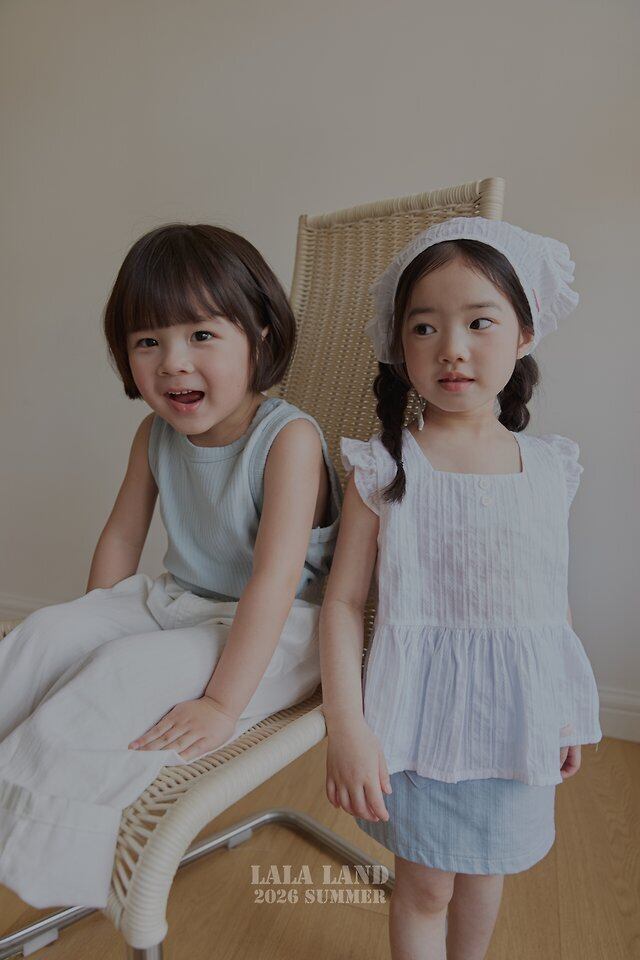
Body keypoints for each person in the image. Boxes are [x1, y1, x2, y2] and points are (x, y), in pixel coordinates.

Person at [0, 223, 343, 909]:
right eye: (147, 342)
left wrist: (222, 703)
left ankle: (45, 851)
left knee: (119, 674)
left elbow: (274, 582)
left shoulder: (289, 440)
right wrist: (92, 619)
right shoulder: (153, 433)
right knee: (42, 634)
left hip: (277, 630)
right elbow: (122, 535)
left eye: (202, 335)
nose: (173, 363)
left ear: (261, 337)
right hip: (182, 602)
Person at [319, 217, 602, 960]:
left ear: (525, 334)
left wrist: (564, 708)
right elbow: (343, 604)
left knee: (486, 873)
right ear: (399, 344)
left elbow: (550, 602)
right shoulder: (383, 468)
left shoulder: (551, 468)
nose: (451, 347)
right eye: (425, 326)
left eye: (480, 322)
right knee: (424, 889)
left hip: (518, 720)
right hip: (416, 724)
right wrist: (347, 726)